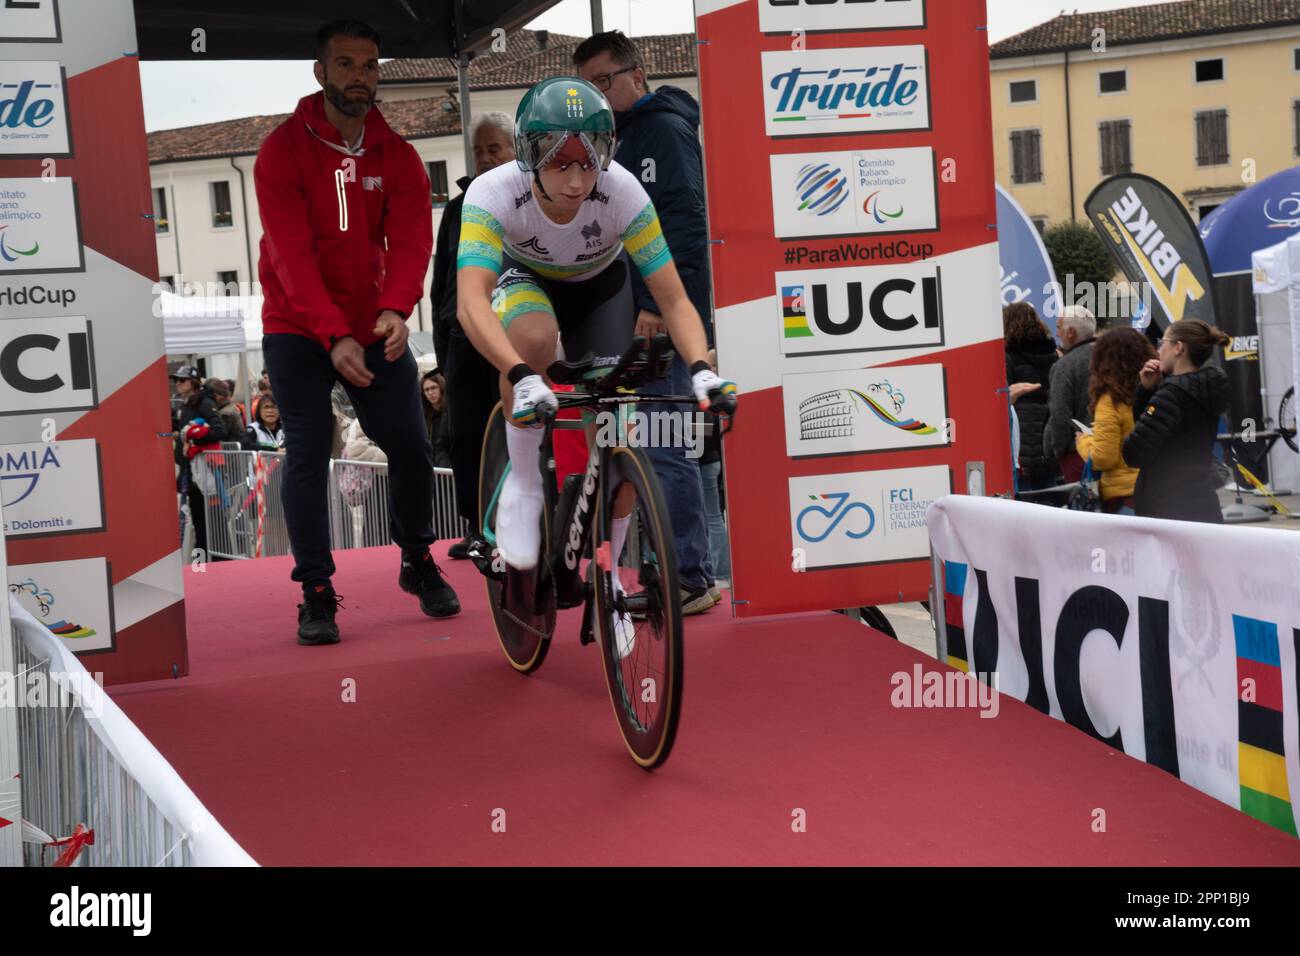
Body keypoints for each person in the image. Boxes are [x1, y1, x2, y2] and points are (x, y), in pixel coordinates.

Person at [454, 76, 736, 608]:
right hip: (526, 280)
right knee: (533, 338)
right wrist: (520, 375)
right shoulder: (494, 191)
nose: (578, 180)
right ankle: (523, 483)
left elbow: (674, 299)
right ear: (529, 155)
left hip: (600, 290)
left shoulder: (623, 190)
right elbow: (471, 302)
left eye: (589, 162)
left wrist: (701, 369)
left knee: (620, 432)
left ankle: (608, 580)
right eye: (561, 164)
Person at [254, 18, 459, 646]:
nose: (359, 78)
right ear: (321, 72)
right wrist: (332, 334)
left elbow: (412, 242)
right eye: (346, 65)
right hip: (297, 328)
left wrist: (397, 309)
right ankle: (316, 589)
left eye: (369, 66)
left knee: (410, 445)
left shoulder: (396, 155)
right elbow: (290, 255)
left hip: (373, 326)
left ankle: (417, 558)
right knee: (310, 453)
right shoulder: (281, 151)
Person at [575, 31, 720, 614]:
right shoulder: (622, 135)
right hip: (629, 316)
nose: (598, 95)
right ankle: (671, 573)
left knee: (664, 445)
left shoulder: (660, 129)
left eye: (605, 81)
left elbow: (684, 221)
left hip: (658, 317)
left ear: (637, 76)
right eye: (588, 87)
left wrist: (661, 306)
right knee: (642, 445)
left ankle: (687, 578)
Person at [430, 111, 518, 560]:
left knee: (512, 430)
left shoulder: (529, 199)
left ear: (515, 149)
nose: (484, 158)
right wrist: (442, 347)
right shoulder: (458, 208)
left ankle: (514, 527)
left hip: (511, 334)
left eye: (494, 149)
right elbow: (442, 277)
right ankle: (477, 528)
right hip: (463, 337)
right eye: (478, 151)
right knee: (467, 435)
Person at [1122, 320, 1231, 523]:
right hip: (1202, 502)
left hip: (1168, 509)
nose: (1158, 350)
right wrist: (1147, 391)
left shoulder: (1170, 396)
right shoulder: (1206, 389)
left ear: (1178, 347)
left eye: (1162, 343)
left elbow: (1133, 453)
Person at [1074, 327, 1154, 515]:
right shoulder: (1157, 389)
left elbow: (1103, 458)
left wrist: (1084, 441)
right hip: (1157, 488)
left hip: (1125, 496)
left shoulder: (1110, 400)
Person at [171, 366, 227, 556]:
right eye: (176, 380)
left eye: (182, 380)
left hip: (207, 473)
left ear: (193, 382)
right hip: (191, 472)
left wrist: (194, 438)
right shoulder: (186, 404)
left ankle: (222, 567)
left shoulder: (204, 402)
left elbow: (219, 430)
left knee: (215, 525)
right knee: (198, 524)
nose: (178, 384)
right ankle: (200, 570)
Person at [1004, 302, 1059, 492]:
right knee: (1051, 498)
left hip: (1023, 436)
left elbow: (1005, 397)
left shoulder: (1006, 356)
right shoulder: (1054, 354)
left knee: (1025, 500)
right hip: (1047, 432)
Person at [1042, 304, 1097, 482]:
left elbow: (1059, 415)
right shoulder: (1112, 357)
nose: (1057, 334)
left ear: (1071, 332)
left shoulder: (1064, 366)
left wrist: (1059, 451)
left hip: (1077, 455)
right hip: (1111, 450)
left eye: (1059, 328)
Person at [420, 370, 452, 468]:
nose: (430, 392)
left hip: (447, 467)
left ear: (441, 387)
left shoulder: (449, 413)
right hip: (433, 467)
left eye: (433, 388)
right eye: (426, 390)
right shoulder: (425, 416)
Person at [208, 378, 246, 443]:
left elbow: (219, 435)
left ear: (219, 396)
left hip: (231, 450)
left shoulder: (226, 413)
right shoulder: (227, 407)